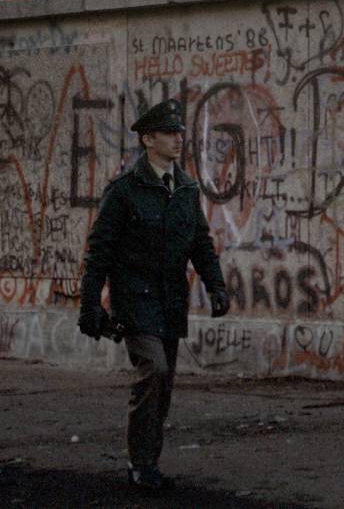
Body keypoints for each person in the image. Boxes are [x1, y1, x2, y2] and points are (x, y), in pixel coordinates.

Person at [78, 99, 229, 491]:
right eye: (169, 133)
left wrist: (216, 285)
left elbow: (199, 242)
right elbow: (99, 251)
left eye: (180, 132)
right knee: (154, 370)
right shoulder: (125, 191)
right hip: (134, 298)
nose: (179, 139)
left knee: (164, 384)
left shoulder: (186, 188)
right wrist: (91, 304)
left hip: (170, 300)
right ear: (148, 139)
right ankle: (141, 463)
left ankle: (148, 460)